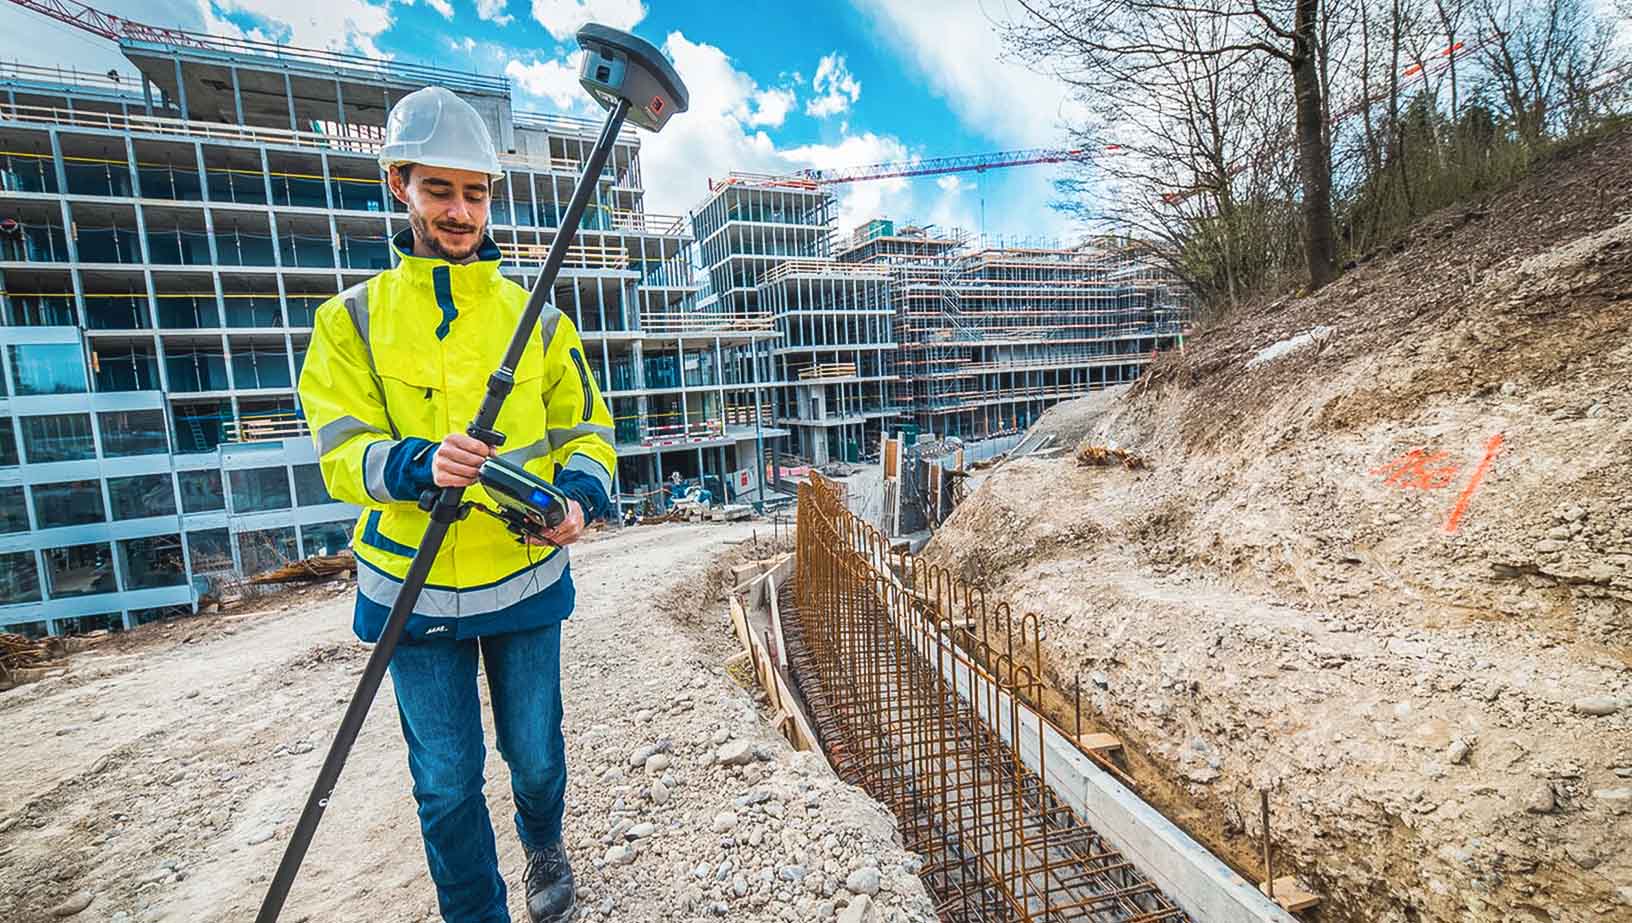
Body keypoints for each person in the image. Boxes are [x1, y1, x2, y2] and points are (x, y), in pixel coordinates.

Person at [297, 85, 615, 923]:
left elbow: (588, 428)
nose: (459, 209)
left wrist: (579, 497)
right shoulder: (351, 322)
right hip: (412, 585)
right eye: (439, 189)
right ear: (400, 184)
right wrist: (414, 463)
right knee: (444, 785)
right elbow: (339, 452)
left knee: (537, 758)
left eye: (474, 191)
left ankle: (544, 840)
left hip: (523, 578)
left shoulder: (538, 319)